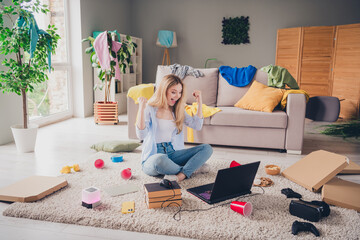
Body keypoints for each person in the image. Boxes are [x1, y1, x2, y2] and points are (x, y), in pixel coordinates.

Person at [136, 74, 213, 182]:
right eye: (173, 92)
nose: (177, 96)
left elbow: (197, 125)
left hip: (172, 153)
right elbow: (141, 135)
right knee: (159, 160)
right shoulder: (150, 108)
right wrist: (141, 109)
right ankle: (192, 168)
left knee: (207, 148)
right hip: (153, 157)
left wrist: (199, 101)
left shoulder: (177, 110)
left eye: (180, 92)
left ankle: (181, 175)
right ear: (164, 91)